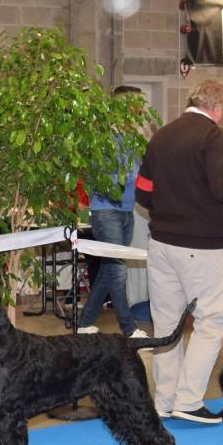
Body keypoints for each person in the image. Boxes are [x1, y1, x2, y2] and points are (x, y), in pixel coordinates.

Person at [134, 80, 223, 425]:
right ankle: (188, 400)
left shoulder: (160, 135)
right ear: (219, 108)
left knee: (166, 324)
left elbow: (142, 192)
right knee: (211, 323)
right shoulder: (212, 137)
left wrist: (169, 212)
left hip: (161, 244)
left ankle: (164, 401)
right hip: (201, 246)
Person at [75, 85, 153, 339]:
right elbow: (95, 176)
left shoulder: (132, 139)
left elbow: (139, 172)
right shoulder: (103, 138)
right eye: (134, 105)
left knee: (109, 271)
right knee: (118, 270)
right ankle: (129, 328)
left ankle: (85, 322)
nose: (139, 110)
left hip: (127, 211)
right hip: (105, 211)